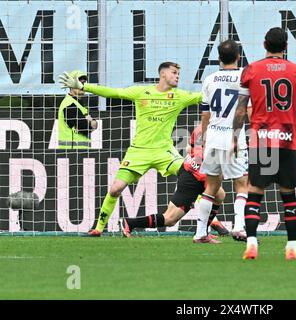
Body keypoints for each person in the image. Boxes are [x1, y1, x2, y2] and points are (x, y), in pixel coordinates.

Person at [59, 62, 202, 236]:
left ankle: (210, 223)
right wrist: (84, 86)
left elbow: (203, 96)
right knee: (115, 189)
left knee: (193, 176)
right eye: (174, 72)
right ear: (163, 74)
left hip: (164, 151)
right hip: (138, 152)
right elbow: (113, 92)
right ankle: (98, 228)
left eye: (179, 73)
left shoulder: (180, 96)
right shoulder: (141, 92)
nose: (178, 76)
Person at [231, 27, 296, 260]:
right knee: (289, 195)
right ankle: (292, 247)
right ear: (286, 47)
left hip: (261, 141)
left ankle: (251, 242)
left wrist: (234, 135)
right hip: (288, 142)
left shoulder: (251, 70)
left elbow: (241, 108)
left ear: (264, 44)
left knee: (254, 193)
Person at [119, 124, 225, 244]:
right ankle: (131, 223)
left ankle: (202, 233)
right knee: (170, 219)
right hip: (192, 178)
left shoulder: (203, 127)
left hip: (195, 172)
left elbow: (188, 149)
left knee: (219, 194)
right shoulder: (219, 131)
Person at [194, 39, 249, 243]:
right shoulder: (245, 77)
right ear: (238, 56)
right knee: (242, 184)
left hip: (214, 136)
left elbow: (205, 114)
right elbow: (245, 110)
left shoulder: (209, 79)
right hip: (233, 137)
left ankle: (200, 232)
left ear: (219, 58)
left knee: (211, 186)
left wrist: (205, 136)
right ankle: (239, 227)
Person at [58, 70, 98, 149]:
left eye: (83, 83)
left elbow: (93, 124)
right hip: (71, 152)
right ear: (70, 84)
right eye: (78, 82)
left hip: (79, 152)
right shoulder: (69, 104)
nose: (81, 85)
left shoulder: (79, 104)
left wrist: (91, 121)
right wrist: (91, 122)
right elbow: (85, 127)